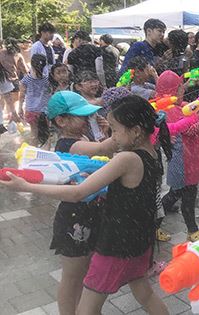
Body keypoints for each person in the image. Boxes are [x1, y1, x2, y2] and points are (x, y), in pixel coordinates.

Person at [1, 94, 170, 315]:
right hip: (140, 241)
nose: (113, 137)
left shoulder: (126, 159)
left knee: (86, 310)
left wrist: (26, 186)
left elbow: (78, 193)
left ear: (136, 131)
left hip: (115, 247)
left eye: (115, 129)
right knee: (144, 293)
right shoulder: (152, 152)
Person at [28, 91, 116, 314]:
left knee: (84, 272)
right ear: (61, 121)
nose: (87, 120)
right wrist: (119, 130)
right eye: (81, 116)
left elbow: (100, 158)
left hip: (90, 211)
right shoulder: (68, 144)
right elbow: (104, 150)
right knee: (72, 276)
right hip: (74, 217)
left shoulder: (82, 139)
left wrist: (106, 132)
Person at [158, 70, 199, 242]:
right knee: (188, 195)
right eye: (179, 88)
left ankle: (154, 224)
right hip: (184, 160)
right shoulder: (170, 110)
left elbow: (197, 106)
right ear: (173, 90)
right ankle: (192, 231)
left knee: (175, 193)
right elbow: (190, 129)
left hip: (188, 157)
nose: (182, 91)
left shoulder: (175, 106)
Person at [19, 54, 51, 146]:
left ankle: (34, 152)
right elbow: (49, 93)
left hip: (31, 110)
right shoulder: (46, 79)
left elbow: (22, 95)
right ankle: (47, 150)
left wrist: (20, 108)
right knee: (47, 132)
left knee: (34, 133)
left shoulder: (26, 79)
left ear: (31, 64)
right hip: (45, 110)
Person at [0, 37, 28, 123]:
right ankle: (13, 117)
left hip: (2, 79)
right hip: (14, 79)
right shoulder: (18, 55)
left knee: (3, 101)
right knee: (14, 101)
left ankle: (3, 119)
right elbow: (25, 70)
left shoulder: (1, 53)